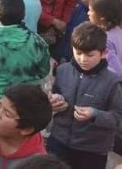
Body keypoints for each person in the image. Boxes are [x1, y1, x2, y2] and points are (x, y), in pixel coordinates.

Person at [48, 22, 122, 169]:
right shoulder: (63, 71)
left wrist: (95, 114)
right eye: (78, 52)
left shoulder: (113, 82)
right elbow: (55, 94)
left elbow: (118, 118)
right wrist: (55, 102)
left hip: (92, 150)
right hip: (58, 140)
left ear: (104, 53)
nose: (83, 59)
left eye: (90, 55)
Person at [87, 0, 122, 74]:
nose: (88, 13)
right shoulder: (118, 31)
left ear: (102, 17)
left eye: (91, 10)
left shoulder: (105, 39)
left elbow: (116, 70)